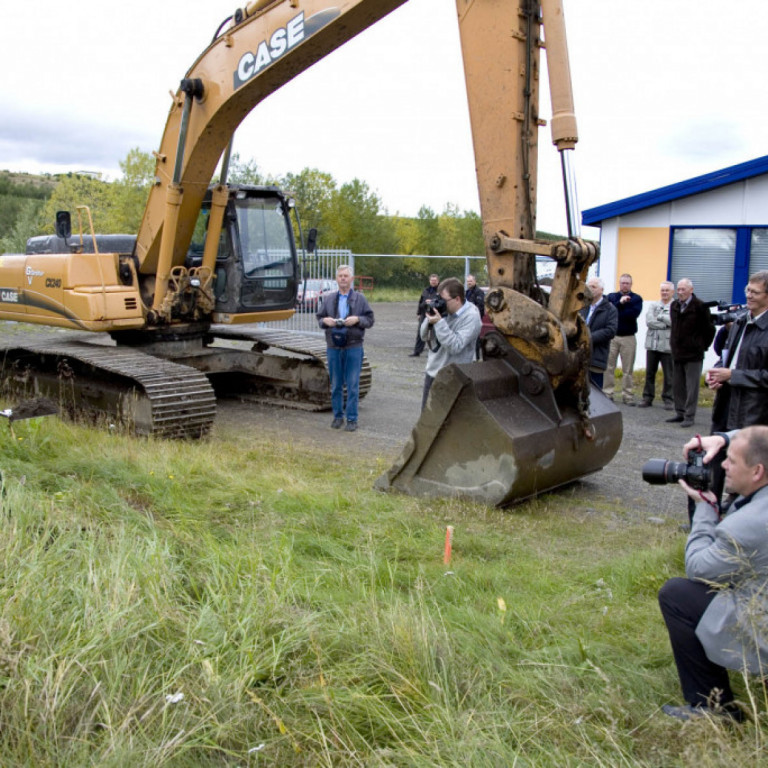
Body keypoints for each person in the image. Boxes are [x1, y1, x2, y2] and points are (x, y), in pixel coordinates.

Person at [658, 426, 768, 721]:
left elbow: (699, 568)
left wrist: (705, 507)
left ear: (757, 471)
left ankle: (712, 708)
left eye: (731, 460)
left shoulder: (750, 523)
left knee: (678, 595)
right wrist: (725, 439)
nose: (722, 465)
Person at [702, 270, 768, 500]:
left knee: (745, 461)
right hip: (726, 402)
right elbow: (729, 356)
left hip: (754, 409)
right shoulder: (739, 321)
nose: (749, 296)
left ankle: (737, 512)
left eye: (755, 292)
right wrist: (717, 373)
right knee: (716, 455)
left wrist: (733, 375)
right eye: (747, 290)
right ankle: (709, 507)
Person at [317, 265, 374, 432]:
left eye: (346, 276)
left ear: (351, 279)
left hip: (353, 346)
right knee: (335, 384)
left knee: (352, 384)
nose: (343, 278)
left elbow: (370, 320)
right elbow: (319, 318)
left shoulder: (360, 299)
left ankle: (352, 418)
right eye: (340, 276)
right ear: (336, 279)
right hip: (334, 346)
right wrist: (325, 321)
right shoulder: (328, 299)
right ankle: (337, 416)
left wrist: (357, 319)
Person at [420, 277, 482, 410]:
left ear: (457, 299)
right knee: (426, 422)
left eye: (444, 300)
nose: (440, 303)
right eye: (439, 298)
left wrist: (439, 322)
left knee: (449, 425)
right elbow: (424, 336)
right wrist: (430, 317)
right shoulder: (444, 311)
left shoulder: (472, 316)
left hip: (455, 379)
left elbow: (456, 346)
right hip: (434, 373)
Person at [668, 278, 715, 429]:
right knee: (678, 385)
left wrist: (701, 346)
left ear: (691, 290)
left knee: (692, 386)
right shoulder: (674, 305)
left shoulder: (700, 306)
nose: (680, 292)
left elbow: (709, 330)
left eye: (683, 289)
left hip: (694, 354)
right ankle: (680, 412)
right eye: (679, 289)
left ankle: (689, 415)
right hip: (677, 352)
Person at [604, 274, 643, 405]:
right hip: (613, 337)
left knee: (627, 369)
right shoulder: (611, 297)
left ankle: (628, 395)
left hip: (628, 338)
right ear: (619, 283)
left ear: (631, 284)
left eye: (627, 283)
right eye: (622, 283)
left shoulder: (636, 299)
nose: (624, 285)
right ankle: (608, 393)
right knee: (609, 367)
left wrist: (618, 309)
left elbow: (632, 314)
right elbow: (609, 312)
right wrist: (620, 303)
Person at [639, 281, 675, 410]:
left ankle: (668, 399)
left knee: (669, 375)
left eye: (667, 290)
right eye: (662, 290)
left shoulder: (675, 306)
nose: (664, 293)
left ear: (672, 292)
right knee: (650, 373)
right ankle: (647, 397)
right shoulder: (653, 305)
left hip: (667, 346)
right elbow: (649, 322)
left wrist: (660, 318)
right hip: (652, 345)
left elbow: (674, 321)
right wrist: (665, 323)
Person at [579, 276, 618, 389]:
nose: (590, 289)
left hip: (596, 357)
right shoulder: (582, 306)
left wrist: (589, 337)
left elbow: (610, 331)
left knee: (595, 390)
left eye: (594, 287)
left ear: (601, 290)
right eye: (588, 286)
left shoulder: (610, 309)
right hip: (580, 357)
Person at [409, 274, 439, 357]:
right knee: (421, 333)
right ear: (429, 281)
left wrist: (432, 302)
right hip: (424, 314)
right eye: (432, 280)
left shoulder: (441, 291)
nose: (433, 282)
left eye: (435, 280)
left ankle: (436, 351)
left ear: (438, 281)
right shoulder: (425, 291)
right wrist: (418, 313)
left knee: (436, 334)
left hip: (435, 314)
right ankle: (417, 351)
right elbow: (420, 302)